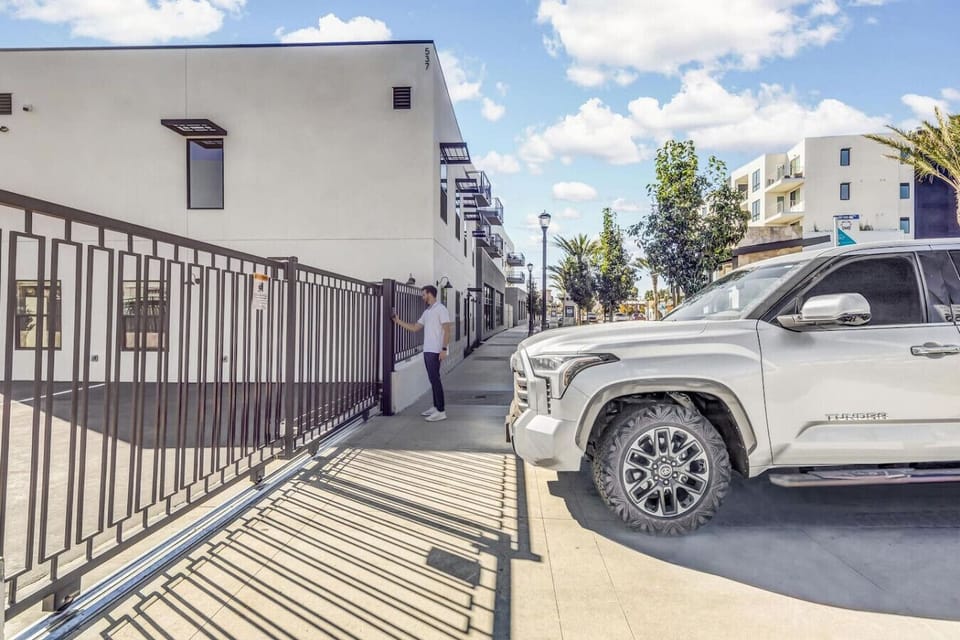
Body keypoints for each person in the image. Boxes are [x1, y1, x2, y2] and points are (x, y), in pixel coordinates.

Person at [392, 285, 453, 422]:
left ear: (430, 294)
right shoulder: (427, 312)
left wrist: (444, 349)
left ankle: (441, 411)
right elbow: (415, 328)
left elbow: (447, 330)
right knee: (432, 379)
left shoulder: (441, 309)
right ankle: (436, 406)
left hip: (436, 351)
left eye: (424, 294)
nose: (422, 297)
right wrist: (398, 321)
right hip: (428, 350)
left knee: (435, 380)